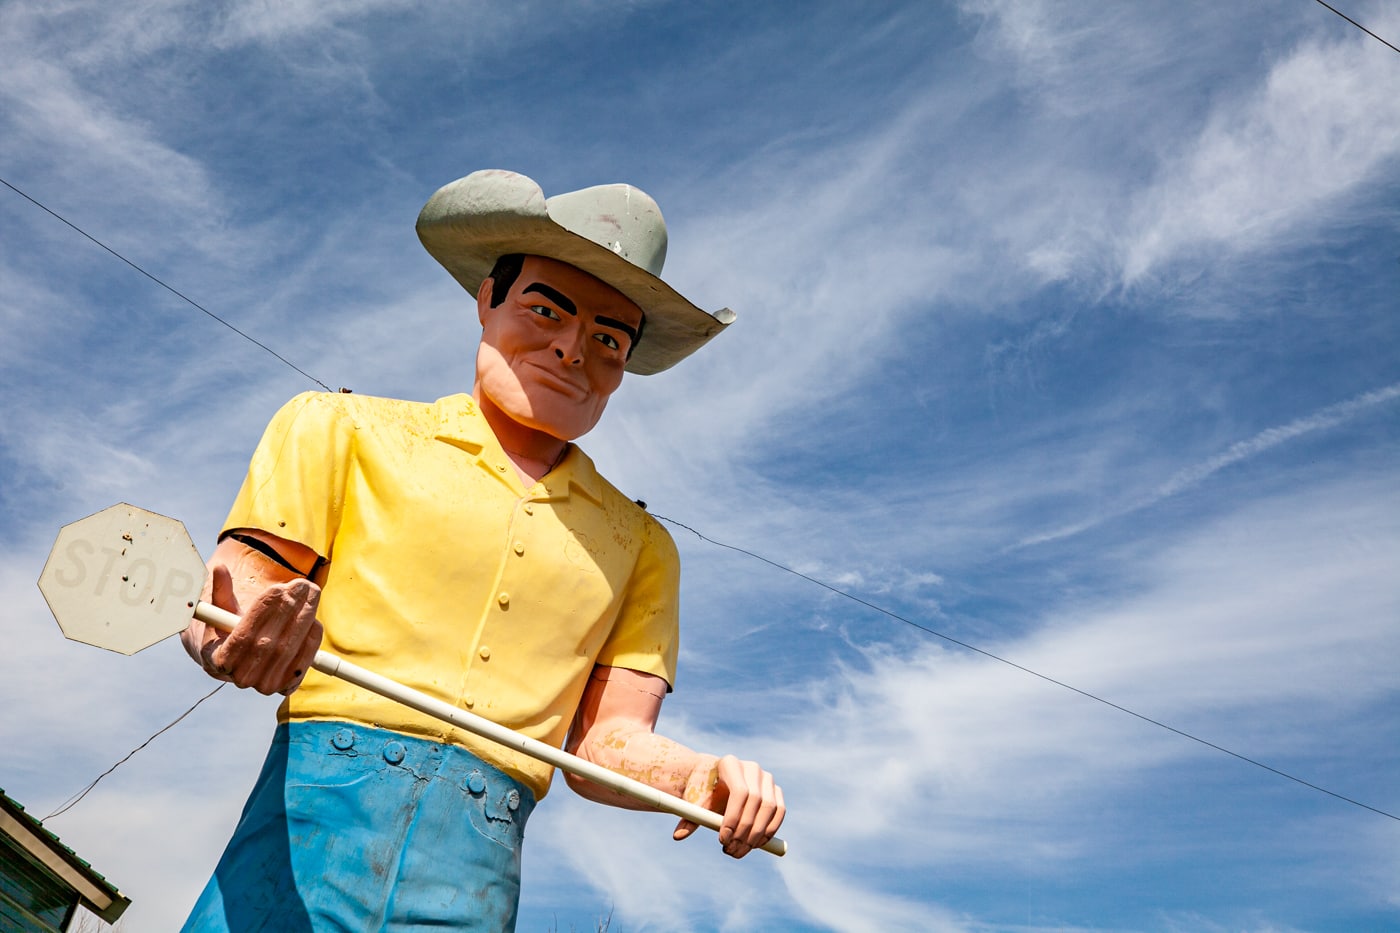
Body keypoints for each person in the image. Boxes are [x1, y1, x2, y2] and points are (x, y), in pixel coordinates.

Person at [178, 169, 785, 931]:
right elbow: (236, 589)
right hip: (297, 851)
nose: (570, 350)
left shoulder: (642, 546)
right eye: (545, 309)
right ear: (487, 302)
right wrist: (234, 626)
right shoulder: (340, 429)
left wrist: (698, 776)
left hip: (475, 883)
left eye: (607, 339)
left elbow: (605, 740)